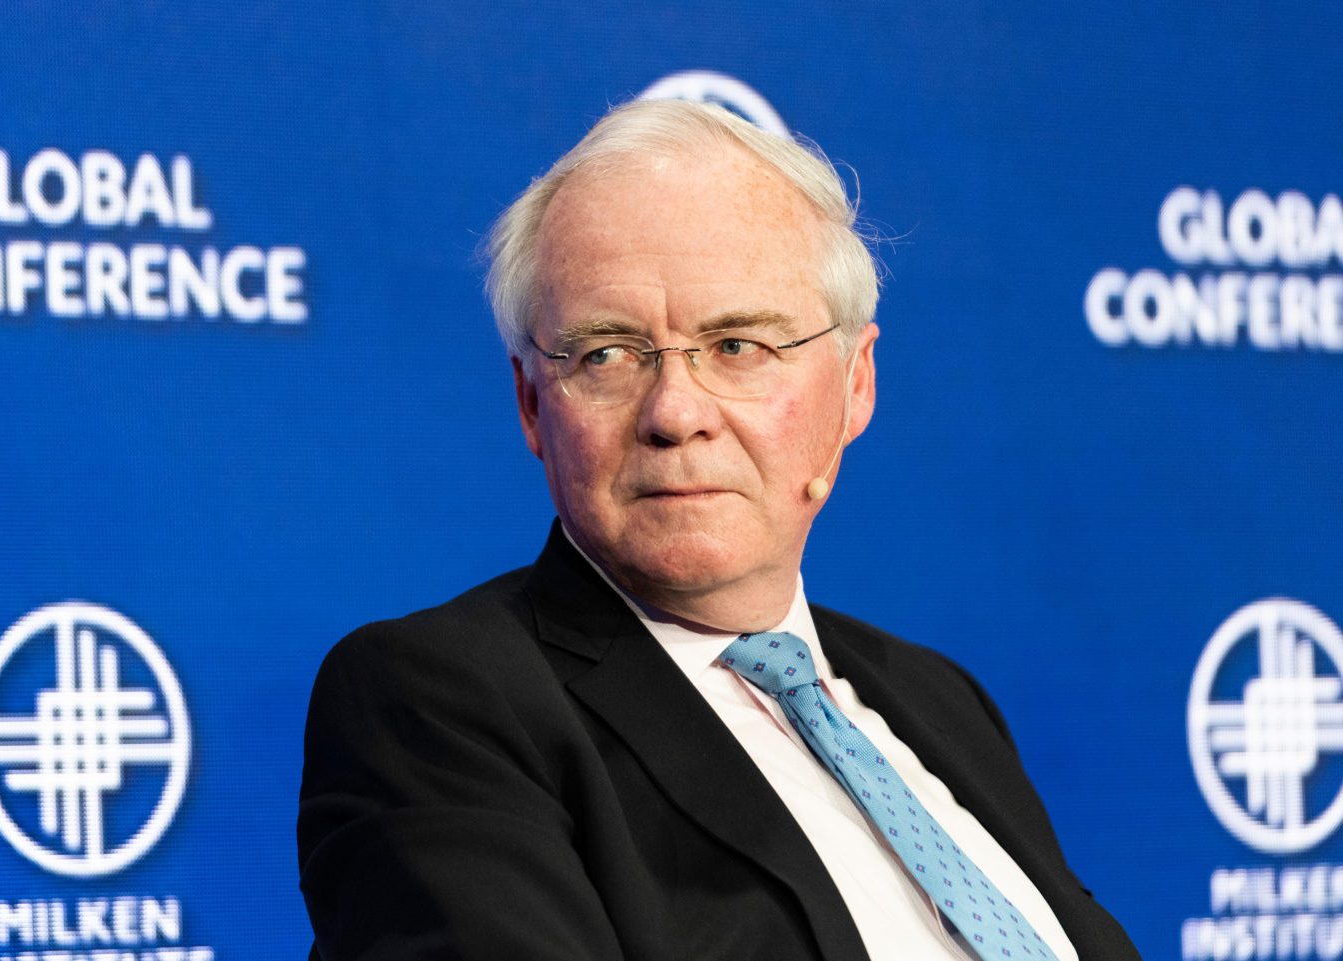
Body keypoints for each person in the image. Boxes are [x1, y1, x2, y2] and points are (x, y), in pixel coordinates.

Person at [297, 99, 1139, 961]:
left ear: (855, 384)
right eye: (607, 354)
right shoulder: (435, 704)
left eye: (738, 345)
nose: (675, 412)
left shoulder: (939, 698)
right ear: (531, 404)